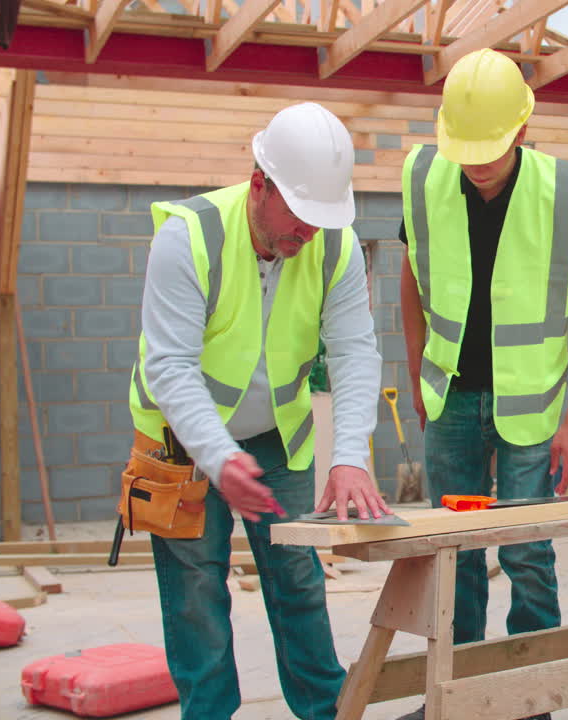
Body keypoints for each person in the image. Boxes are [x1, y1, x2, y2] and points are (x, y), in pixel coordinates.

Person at [129, 101, 391, 719]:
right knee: (196, 597)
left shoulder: (334, 248)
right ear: (258, 185)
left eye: (322, 219)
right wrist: (219, 459)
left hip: (277, 442)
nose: (309, 232)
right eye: (300, 216)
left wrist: (349, 457)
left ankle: (325, 712)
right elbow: (169, 366)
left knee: (299, 583)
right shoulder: (188, 237)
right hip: (181, 445)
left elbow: (356, 352)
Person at [394, 48, 568, 720]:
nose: (476, 163)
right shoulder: (425, 177)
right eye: (466, 148)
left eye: (489, 147)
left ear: (520, 129)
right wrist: (420, 371)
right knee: (451, 556)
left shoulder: (562, 192)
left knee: (527, 553)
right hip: (451, 400)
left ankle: (529, 701)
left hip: (531, 404)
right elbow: (411, 279)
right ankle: (457, 698)